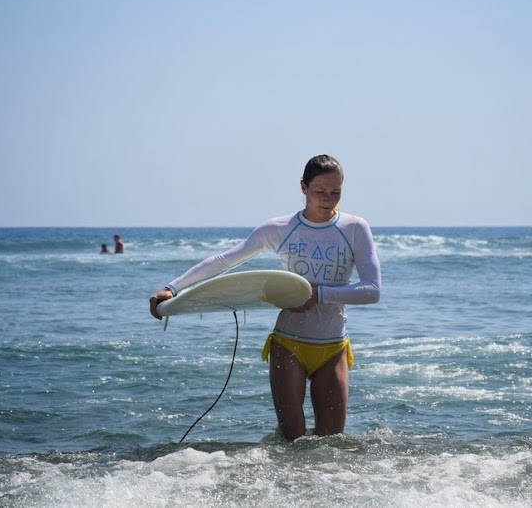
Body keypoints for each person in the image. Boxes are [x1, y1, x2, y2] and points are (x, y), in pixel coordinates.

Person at [149, 154, 381, 441]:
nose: (328, 199)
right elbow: (225, 261)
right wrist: (173, 288)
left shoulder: (354, 228)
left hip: (333, 346)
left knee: (331, 444)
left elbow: (372, 290)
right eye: (320, 191)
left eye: (336, 192)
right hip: (289, 344)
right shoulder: (279, 228)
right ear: (303, 188)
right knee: (291, 441)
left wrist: (318, 295)